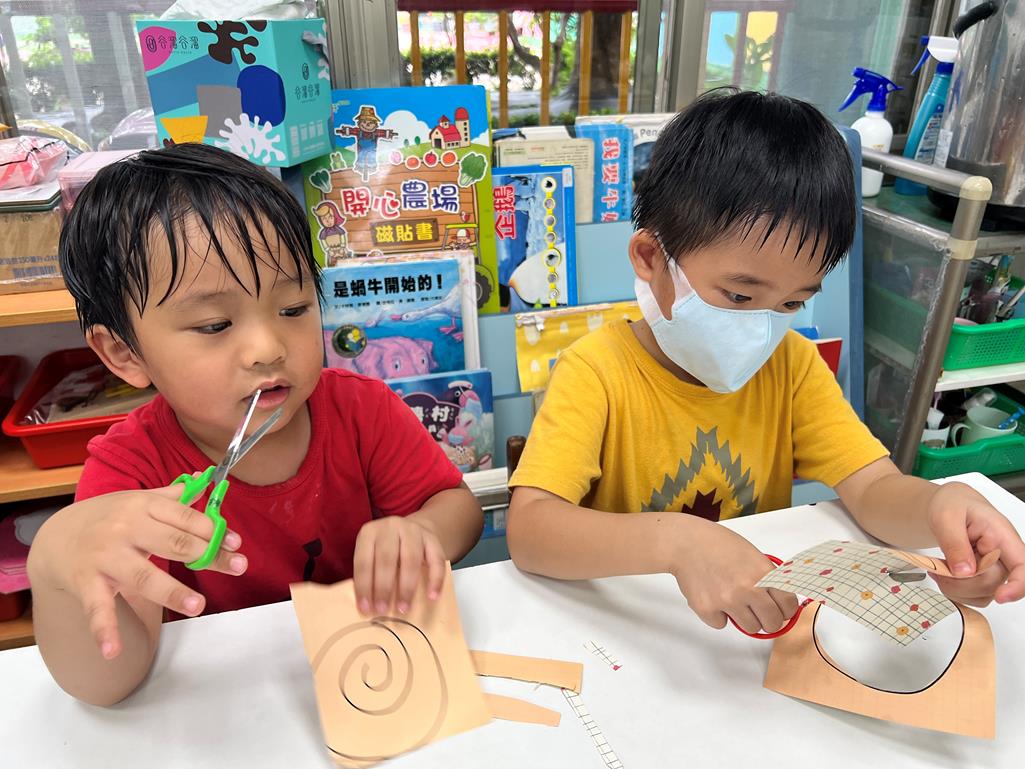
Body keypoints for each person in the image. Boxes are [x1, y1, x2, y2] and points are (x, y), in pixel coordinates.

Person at [507, 89, 1025, 637]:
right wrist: (680, 542)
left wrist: (939, 508)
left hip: (752, 633)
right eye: (738, 295)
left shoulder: (792, 366)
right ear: (651, 258)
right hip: (633, 628)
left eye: (791, 303)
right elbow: (531, 531)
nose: (761, 328)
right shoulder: (595, 371)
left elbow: (873, 488)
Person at [27, 143, 483, 706]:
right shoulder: (130, 473)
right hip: (226, 709)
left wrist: (423, 534)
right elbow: (109, 682)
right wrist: (54, 562)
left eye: (293, 309)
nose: (268, 347)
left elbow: (458, 509)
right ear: (124, 353)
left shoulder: (360, 409)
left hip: (371, 682)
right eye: (214, 325)